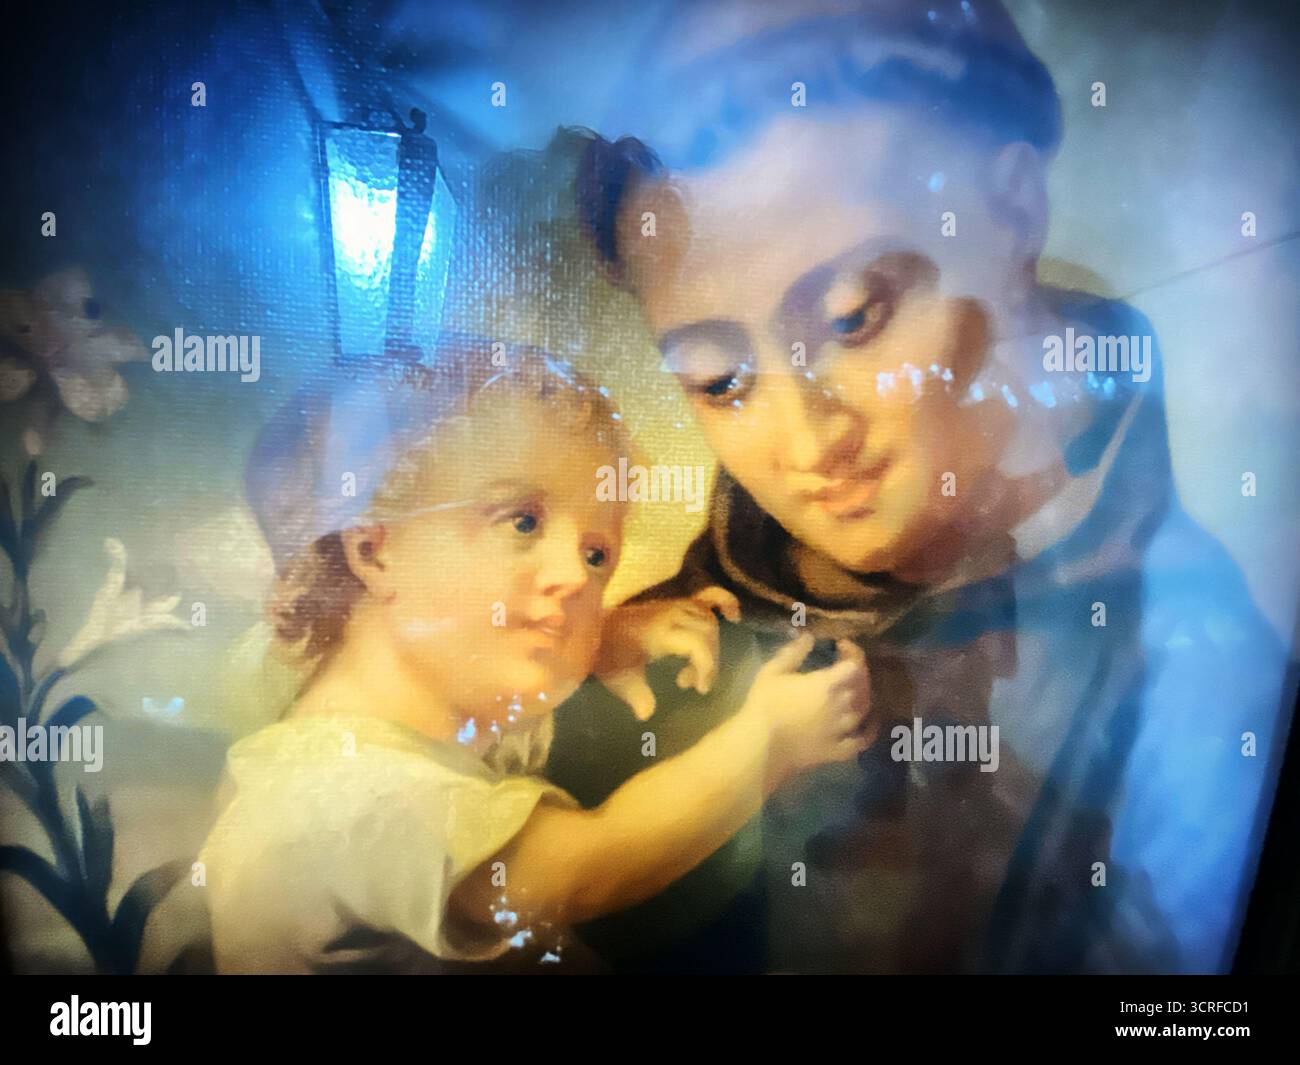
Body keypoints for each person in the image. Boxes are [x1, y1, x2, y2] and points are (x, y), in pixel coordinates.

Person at [547, 0, 1290, 972]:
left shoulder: (1185, 672)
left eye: (854, 321)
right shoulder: (639, 655)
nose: (808, 437)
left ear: (1012, 211)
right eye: (721, 382)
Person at [198, 336, 873, 972]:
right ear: (376, 549)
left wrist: (603, 634)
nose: (579, 578)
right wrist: (770, 740)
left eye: (596, 554)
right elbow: (586, 871)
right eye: (522, 520)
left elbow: (463, 643)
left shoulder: (366, 729)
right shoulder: (349, 794)